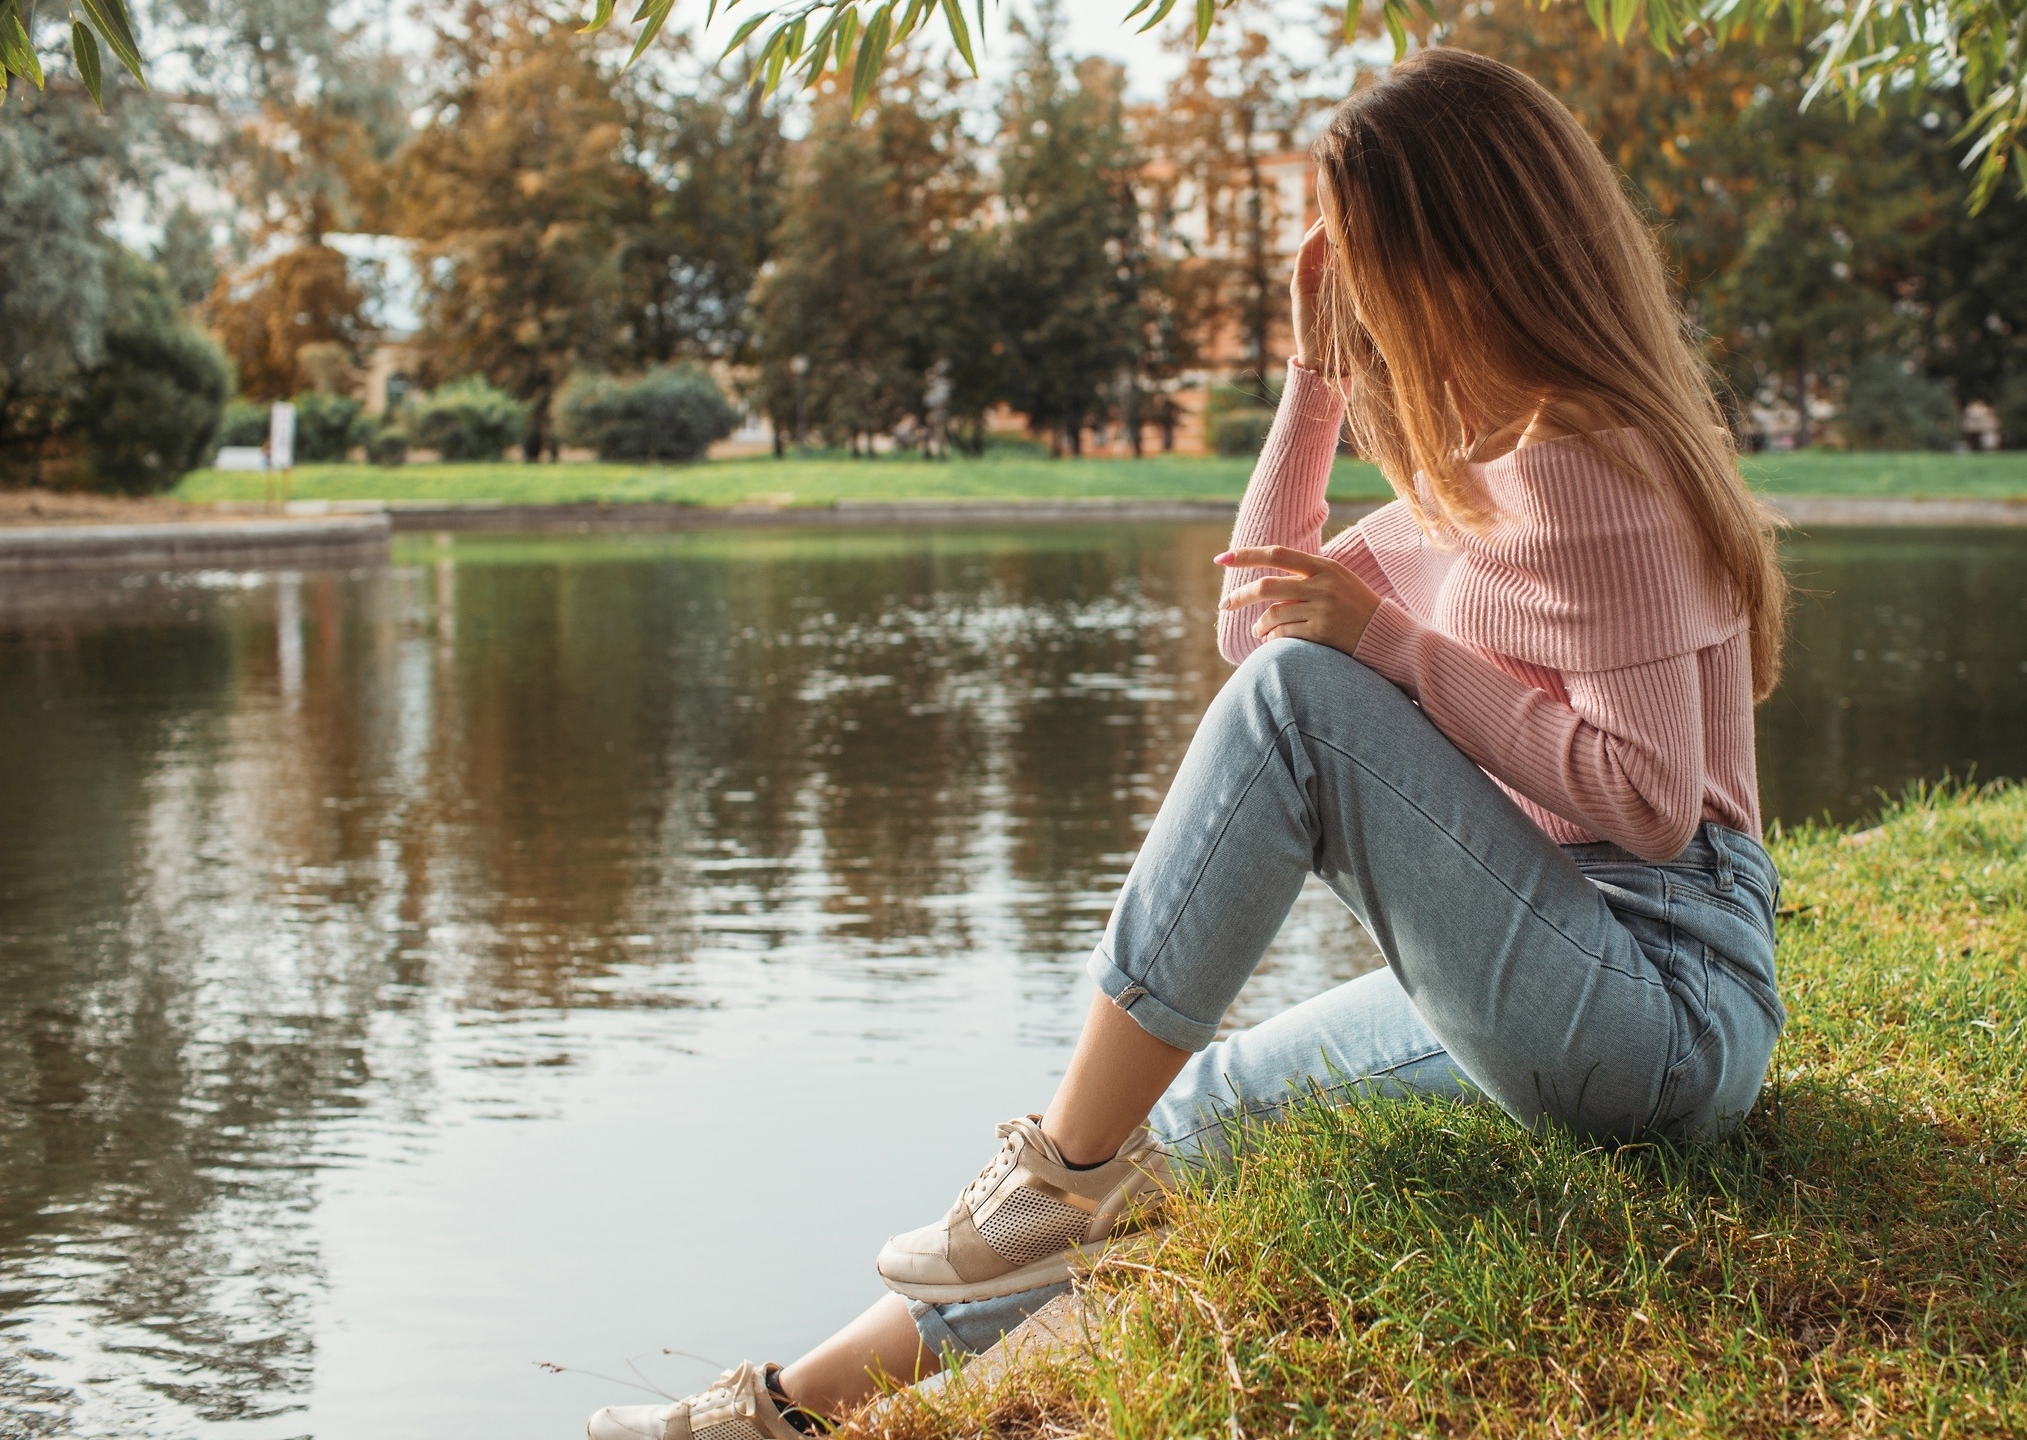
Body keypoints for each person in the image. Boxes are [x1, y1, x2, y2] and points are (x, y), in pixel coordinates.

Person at [585, 46, 1789, 1439]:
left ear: (1461, 259)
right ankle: (791, 1409)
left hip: (1668, 1001)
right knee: (1198, 1114)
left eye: (1377, 267)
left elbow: (1643, 810)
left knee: (1301, 711)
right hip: (1587, 964)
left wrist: (1391, 649)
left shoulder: (1598, 468)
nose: (1370, 303)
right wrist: (1311, 380)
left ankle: (1060, 1163)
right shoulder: (1499, 471)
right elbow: (1255, 625)